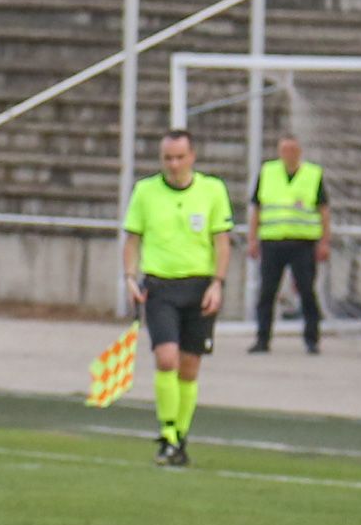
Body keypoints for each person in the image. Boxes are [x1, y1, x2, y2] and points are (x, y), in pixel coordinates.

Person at [122, 130, 231, 467]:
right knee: (166, 357)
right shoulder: (145, 191)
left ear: (192, 156)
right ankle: (168, 431)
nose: (173, 164)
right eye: (167, 158)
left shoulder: (213, 190)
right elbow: (132, 238)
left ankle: (179, 437)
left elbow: (222, 241)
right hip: (160, 287)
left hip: (199, 286)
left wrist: (217, 283)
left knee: (189, 366)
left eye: (179, 157)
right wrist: (129, 275)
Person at [247, 135, 329, 354]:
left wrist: (324, 242)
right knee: (267, 292)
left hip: (303, 242)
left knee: (306, 291)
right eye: (284, 149)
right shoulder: (267, 172)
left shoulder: (313, 174)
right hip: (272, 241)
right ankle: (262, 339)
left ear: (299, 151)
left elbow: (323, 210)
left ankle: (312, 339)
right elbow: (256, 208)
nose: (288, 154)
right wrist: (252, 239)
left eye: (292, 149)